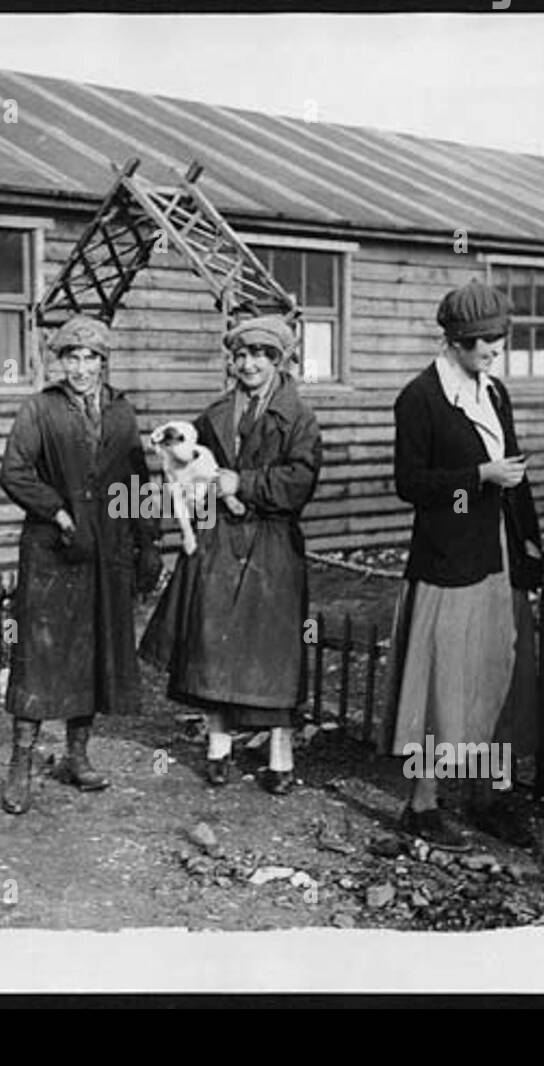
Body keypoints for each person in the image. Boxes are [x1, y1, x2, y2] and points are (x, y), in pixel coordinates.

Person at [382, 281, 544, 851]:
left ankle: (485, 795)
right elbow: (411, 483)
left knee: (492, 671)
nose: (493, 354)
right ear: (454, 340)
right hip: (449, 559)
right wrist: (479, 477)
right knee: (443, 680)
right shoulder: (420, 398)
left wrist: (529, 543)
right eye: (483, 345)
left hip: (497, 550)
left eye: (499, 343)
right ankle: (422, 803)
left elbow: (515, 469)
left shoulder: (494, 392)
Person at [140, 313, 322, 795]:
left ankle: (280, 757)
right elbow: (186, 464)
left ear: (279, 362)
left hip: (272, 542)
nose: (249, 365)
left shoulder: (298, 418)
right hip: (218, 537)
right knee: (212, 642)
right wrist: (188, 486)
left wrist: (244, 483)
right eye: (241, 356)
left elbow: (301, 482)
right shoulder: (215, 414)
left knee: (272, 650)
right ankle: (218, 747)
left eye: (261, 356)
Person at [0, 315, 161, 815]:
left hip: (106, 554)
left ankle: (77, 756)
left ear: (103, 363)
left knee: (93, 654)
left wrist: (149, 543)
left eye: (92, 359)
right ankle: (20, 764)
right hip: (53, 554)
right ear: (60, 361)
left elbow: (137, 483)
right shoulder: (39, 410)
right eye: (73, 357)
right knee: (39, 658)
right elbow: (13, 472)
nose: (82, 368)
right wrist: (56, 509)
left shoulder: (120, 413)